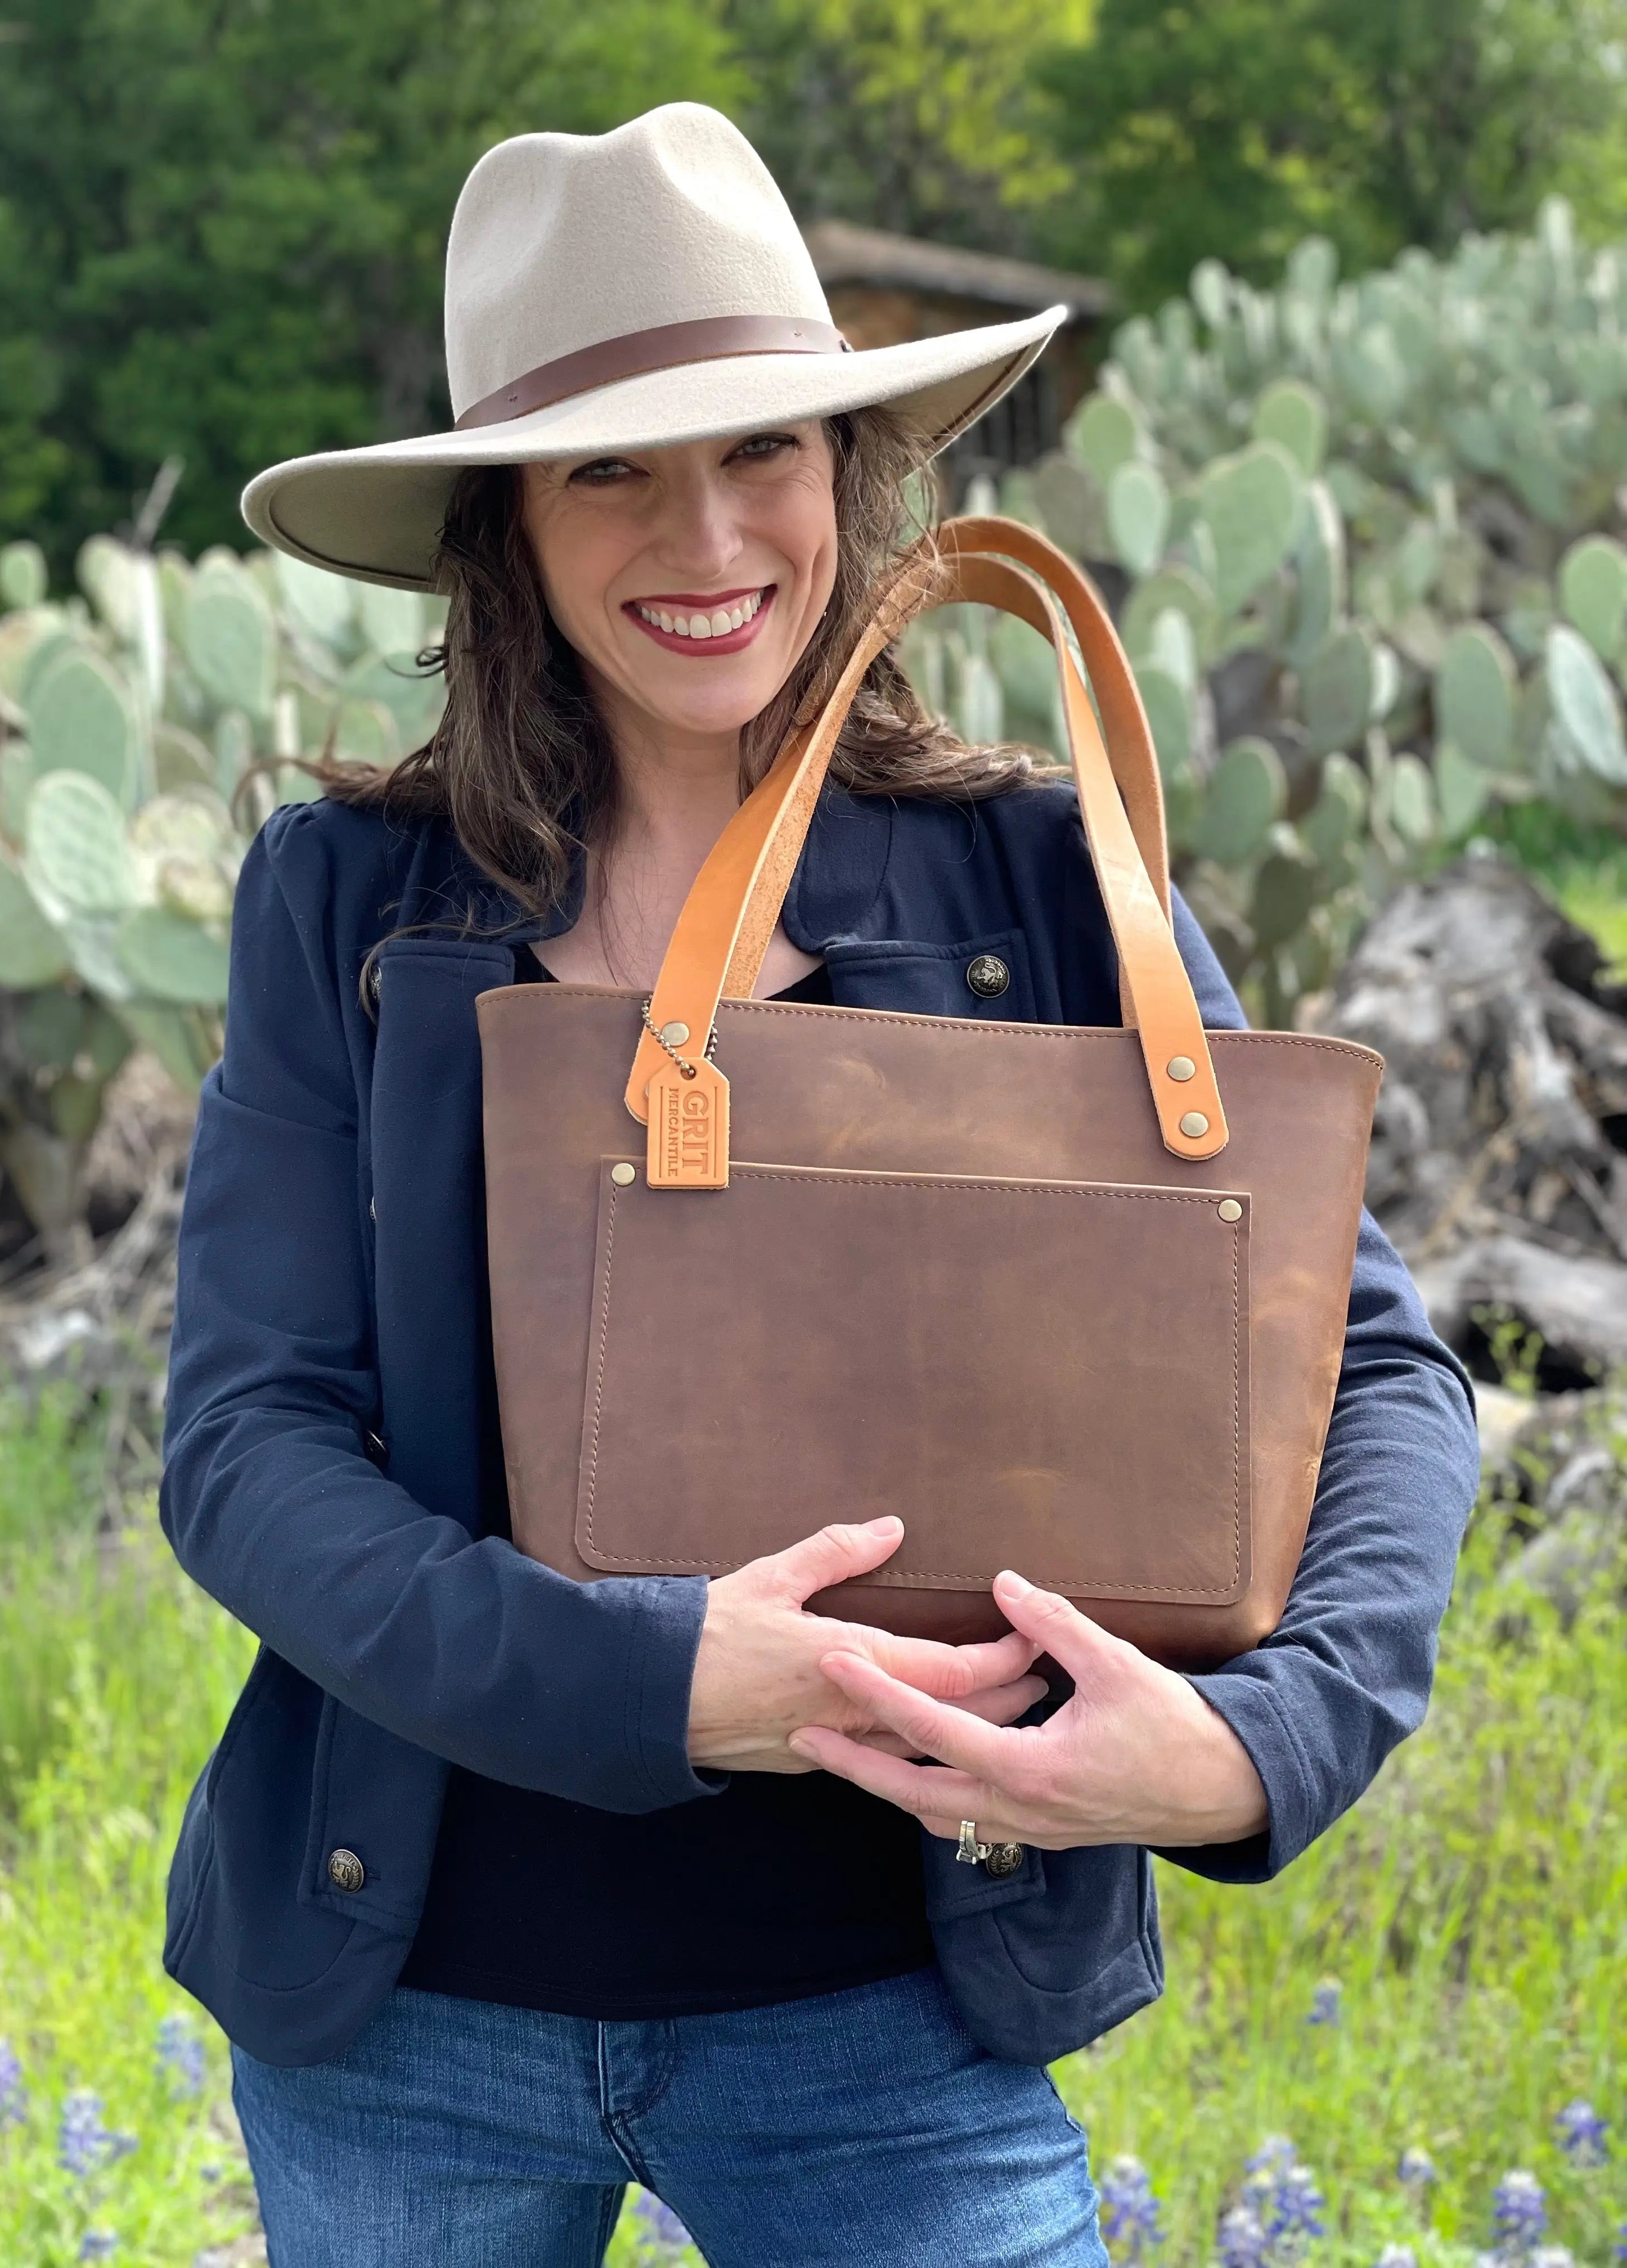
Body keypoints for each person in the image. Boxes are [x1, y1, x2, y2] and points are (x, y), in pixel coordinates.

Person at [161, 102, 1479, 2268]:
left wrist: (1260, 1746)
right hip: (405, 2019)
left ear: (848, 472)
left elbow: (1374, 1371)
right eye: (610, 467)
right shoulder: (355, 905)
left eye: (760, 448)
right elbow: (246, 1447)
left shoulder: (1042, 885)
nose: (704, 533)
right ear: (507, 525)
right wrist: (652, 1684)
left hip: (893, 2018)